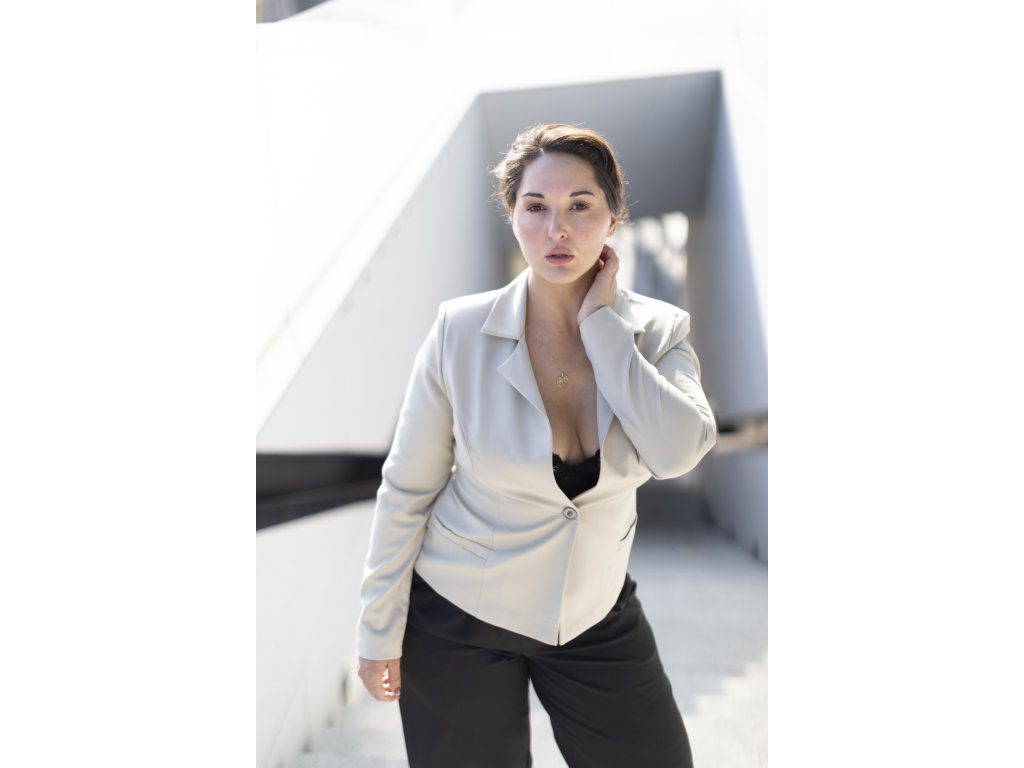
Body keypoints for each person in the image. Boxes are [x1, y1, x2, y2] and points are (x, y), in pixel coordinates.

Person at [356, 123, 717, 767]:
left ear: (613, 218)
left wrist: (603, 329)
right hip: (459, 615)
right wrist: (378, 628)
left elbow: (678, 451)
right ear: (513, 217)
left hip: (593, 611)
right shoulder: (459, 332)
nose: (558, 229)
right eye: (536, 207)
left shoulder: (659, 331)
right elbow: (408, 487)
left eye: (580, 206)